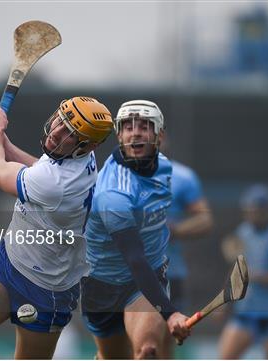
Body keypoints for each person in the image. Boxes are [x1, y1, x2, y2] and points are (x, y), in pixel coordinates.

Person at [0, 97, 113, 359]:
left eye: (69, 133)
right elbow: (39, 168)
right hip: (8, 262)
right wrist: (3, 143)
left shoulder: (57, 185)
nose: (56, 133)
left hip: (46, 288)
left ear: (88, 145)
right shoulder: (78, 156)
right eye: (60, 122)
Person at [81, 100, 190, 359]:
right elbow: (134, 258)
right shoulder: (113, 193)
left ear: (159, 135)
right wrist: (171, 313)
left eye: (144, 126)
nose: (136, 132)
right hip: (103, 286)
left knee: (148, 351)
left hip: (144, 283)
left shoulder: (163, 166)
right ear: (119, 135)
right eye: (128, 127)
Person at [219, 184, 268, 359]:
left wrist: (254, 276)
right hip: (245, 311)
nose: (252, 215)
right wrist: (223, 303)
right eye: (249, 210)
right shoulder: (243, 232)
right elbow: (235, 270)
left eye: (257, 211)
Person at [162, 139, 214, 357]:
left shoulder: (183, 177)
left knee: (161, 345)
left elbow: (205, 220)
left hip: (170, 274)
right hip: (127, 274)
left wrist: (174, 231)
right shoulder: (118, 174)